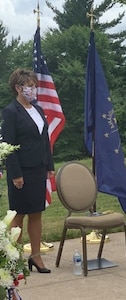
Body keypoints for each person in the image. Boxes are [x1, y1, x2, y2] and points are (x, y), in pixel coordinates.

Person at [2, 68, 55, 273]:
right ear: (18, 88)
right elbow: (8, 145)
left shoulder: (38, 110)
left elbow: (44, 140)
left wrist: (49, 166)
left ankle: (36, 256)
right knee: (19, 215)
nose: (33, 90)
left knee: (36, 213)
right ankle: (15, 257)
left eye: (34, 86)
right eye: (29, 86)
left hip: (38, 169)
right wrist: (16, 174)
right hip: (21, 172)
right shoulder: (11, 112)